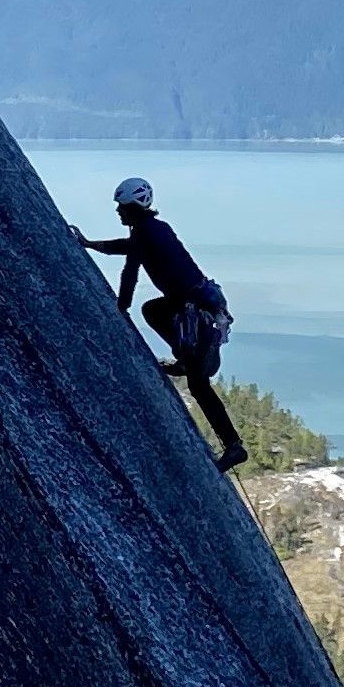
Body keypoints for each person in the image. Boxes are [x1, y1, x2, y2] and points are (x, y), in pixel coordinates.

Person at [82, 176, 246, 468]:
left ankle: (233, 445)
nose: (119, 211)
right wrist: (91, 245)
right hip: (198, 304)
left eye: (122, 207)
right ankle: (183, 360)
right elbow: (130, 248)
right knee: (154, 311)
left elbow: (130, 270)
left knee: (198, 385)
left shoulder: (146, 234)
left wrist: (120, 308)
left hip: (196, 312)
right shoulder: (153, 229)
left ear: (134, 207)